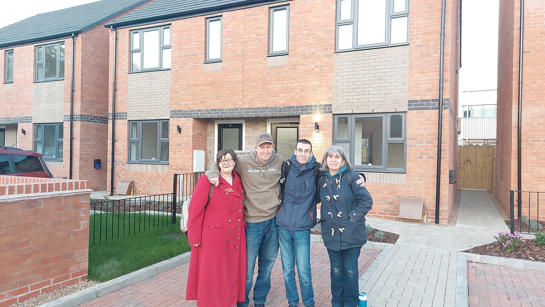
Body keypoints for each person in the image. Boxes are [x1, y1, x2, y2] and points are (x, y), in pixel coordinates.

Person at [206, 133, 283, 307]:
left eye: (268, 147)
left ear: (273, 148)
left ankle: (260, 301)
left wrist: (359, 178)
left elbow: (306, 166)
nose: (265, 150)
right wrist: (213, 174)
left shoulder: (280, 161)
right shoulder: (243, 161)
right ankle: (242, 302)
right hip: (252, 224)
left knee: (267, 266)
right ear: (255, 148)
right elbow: (219, 162)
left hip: (273, 222)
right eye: (262, 147)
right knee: (247, 270)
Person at [186, 149, 246, 307]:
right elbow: (195, 209)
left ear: (235, 162)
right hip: (213, 237)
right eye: (222, 160)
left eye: (229, 160)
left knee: (229, 274)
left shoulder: (238, 179)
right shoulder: (208, 180)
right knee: (212, 276)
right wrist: (194, 237)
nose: (226, 163)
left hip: (235, 236)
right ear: (217, 163)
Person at [317, 145, 373, 307]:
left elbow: (366, 201)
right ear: (326, 160)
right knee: (335, 271)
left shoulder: (353, 177)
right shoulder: (322, 179)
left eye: (337, 157)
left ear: (343, 161)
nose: (333, 160)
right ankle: (337, 303)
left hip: (352, 235)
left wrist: (351, 217)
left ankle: (350, 303)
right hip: (331, 235)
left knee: (350, 271)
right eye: (330, 157)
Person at [276, 139, 318, 307]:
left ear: (311, 153)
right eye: (300, 150)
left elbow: (339, 172)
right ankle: (292, 303)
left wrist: (360, 176)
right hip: (283, 227)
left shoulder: (317, 170)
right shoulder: (285, 166)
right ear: (295, 151)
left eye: (306, 151)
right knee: (287, 271)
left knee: (304, 272)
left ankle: (309, 303)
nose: (302, 153)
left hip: (302, 229)